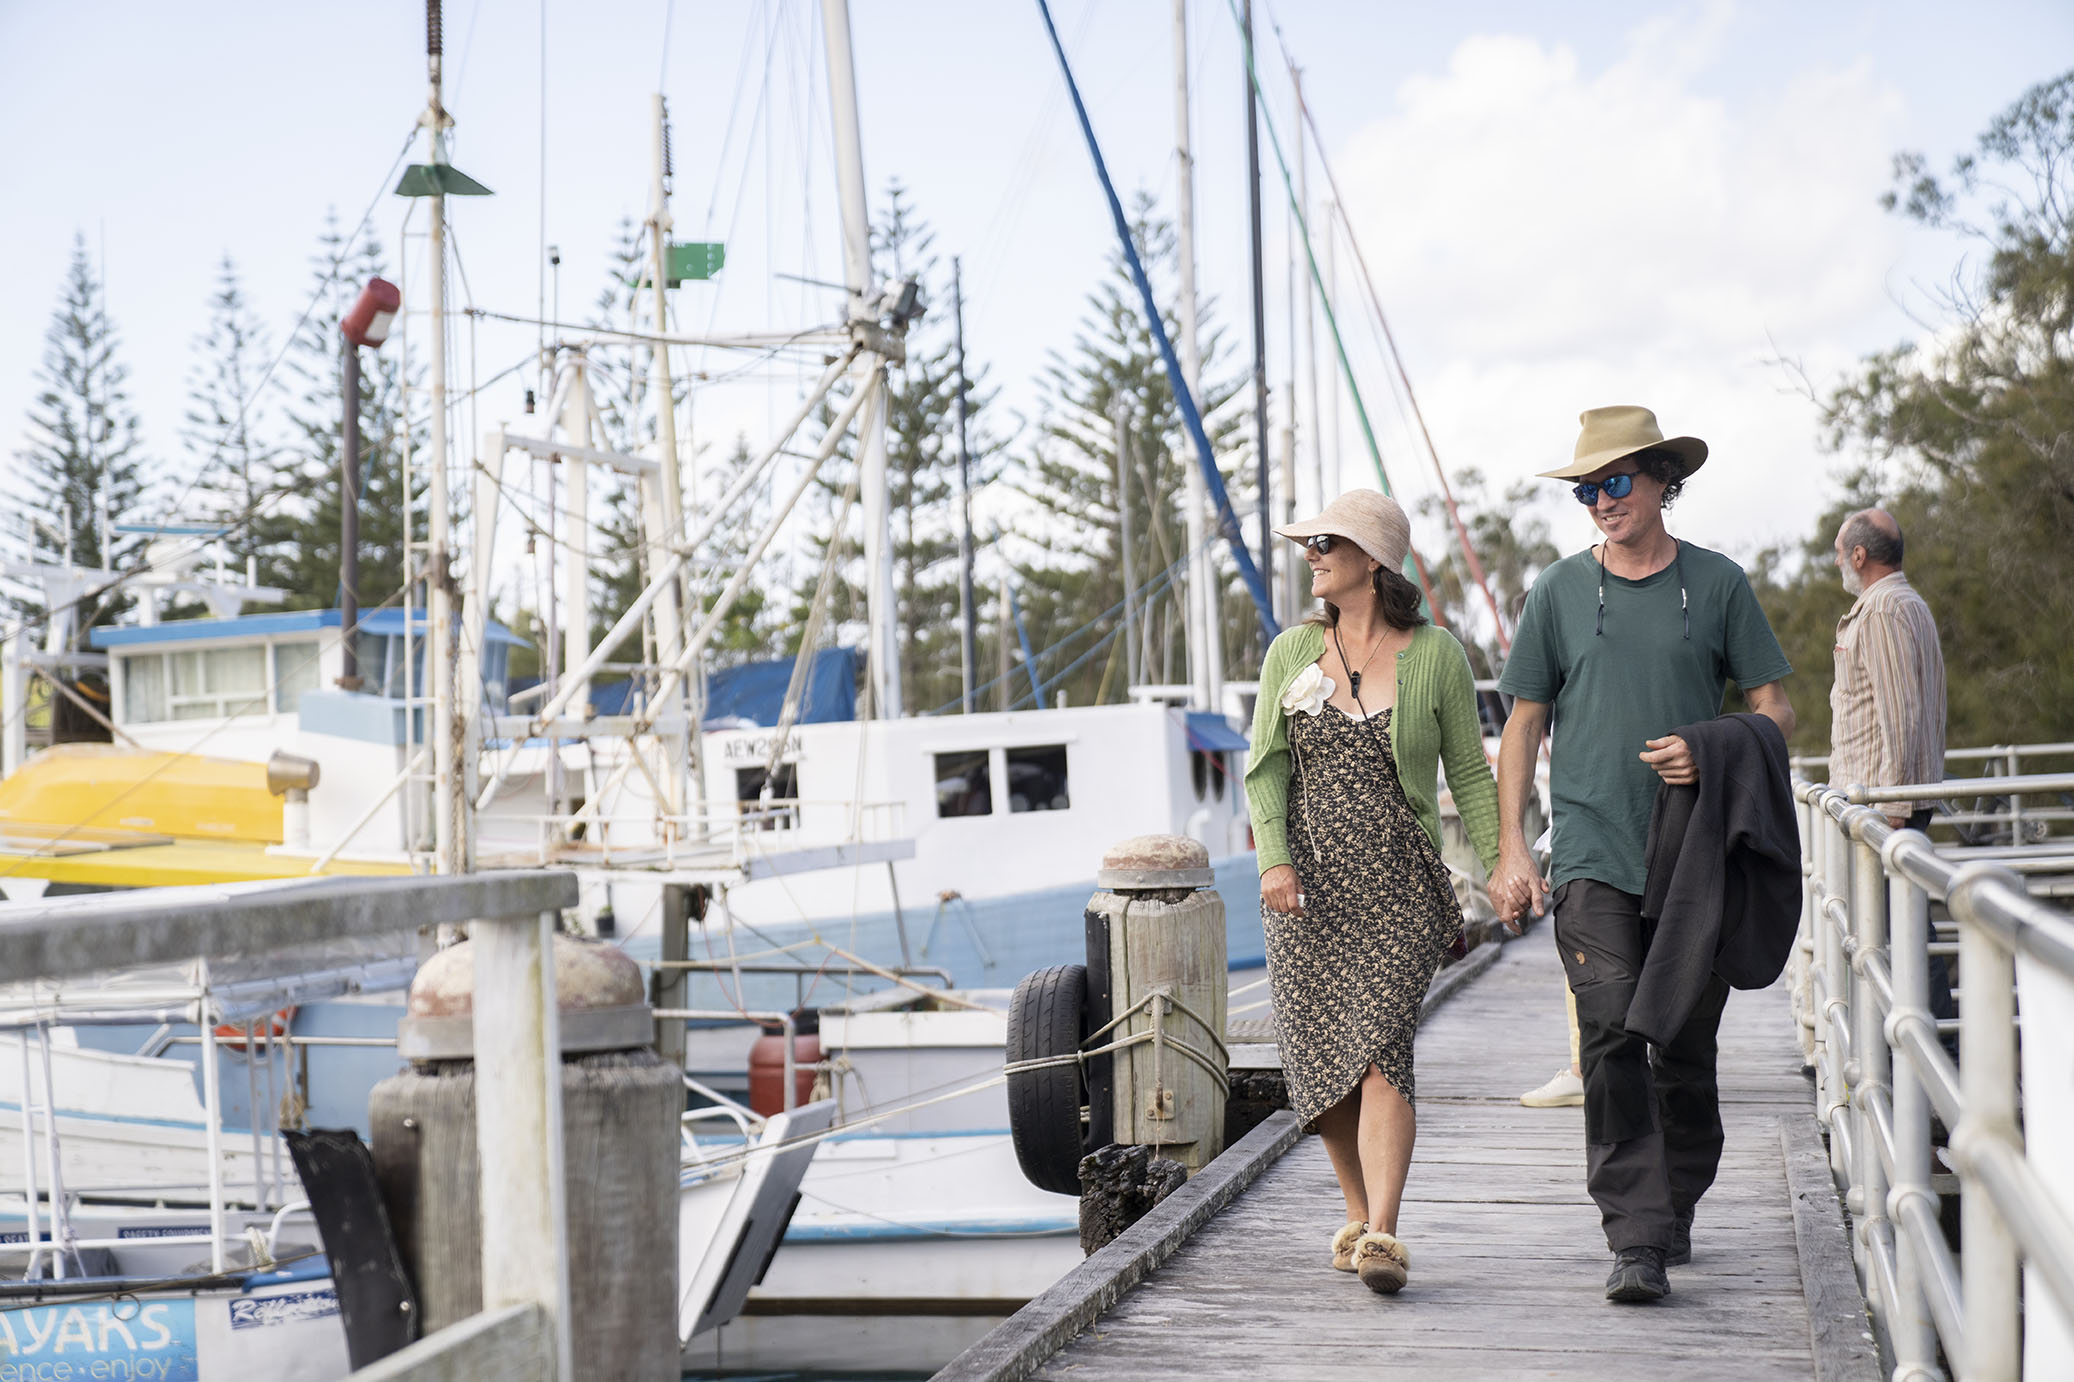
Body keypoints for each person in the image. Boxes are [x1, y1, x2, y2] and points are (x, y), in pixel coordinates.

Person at [1487, 406, 1796, 1304]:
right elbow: (1523, 723)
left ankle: (1677, 1199)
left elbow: (1775, 709)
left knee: (1686, 1047)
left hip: (1696, 855)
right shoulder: (1555, 592)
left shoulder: (1720, 583)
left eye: (1616, 483)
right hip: (1590, 849)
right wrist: (1514, 848)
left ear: (1663, 480)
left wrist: (1716, 744)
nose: (1600, 502)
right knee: (1614, 1031)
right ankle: (1635, 1236)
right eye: (1587, 489)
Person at [1244, 489, 1502, 1296]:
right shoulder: (1291, 652)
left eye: (1328, 542)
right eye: (1312, 542)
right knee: (1323, 1064)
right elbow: (1266, 769)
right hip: (1307, 888)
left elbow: (1467, 771)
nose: (1312, 554)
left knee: (1383, 1055)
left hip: (1399, 883)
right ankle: (1356, 1215)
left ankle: (1384, 1231)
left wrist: (1502, 866)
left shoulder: (1438, 656)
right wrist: (1274, 862)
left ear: (1373, 562)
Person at [1829, 509, 1946, 830]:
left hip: (1880, 806)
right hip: (1883, 800)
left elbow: (1900, 715)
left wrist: (1892, 803)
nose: (1836, 562)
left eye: (1839, 552)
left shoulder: (1881, 610)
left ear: (1858, 556)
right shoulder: (1907, 602)